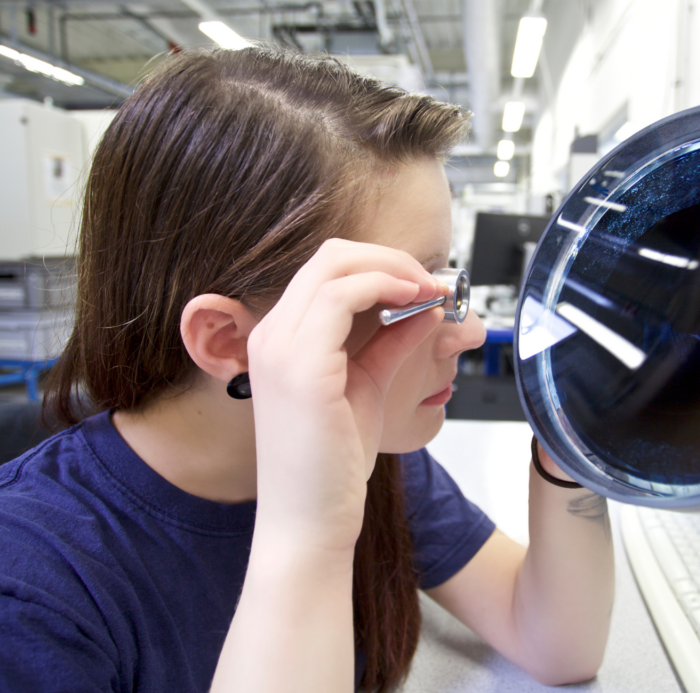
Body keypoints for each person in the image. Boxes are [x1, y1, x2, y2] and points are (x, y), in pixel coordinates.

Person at [0, 46, 614, 692]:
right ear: (227, 339)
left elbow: (559, 643)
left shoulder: (371, 455)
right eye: (402, 297)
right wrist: (308, 535)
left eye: (444, 281)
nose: (468, 332)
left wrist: (568, 446)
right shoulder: (33, 586)